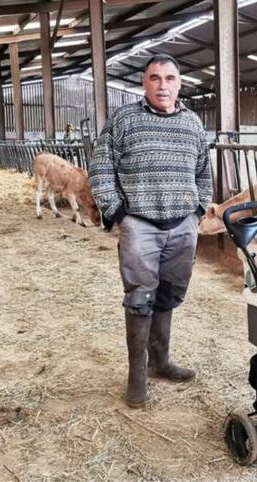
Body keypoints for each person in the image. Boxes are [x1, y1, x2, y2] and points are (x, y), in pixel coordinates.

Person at [89, 54, 212, 409]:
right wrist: (117, 211)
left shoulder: (192, 123)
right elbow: (100, 165)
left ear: (180, 83)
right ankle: (136, 374)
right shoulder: (125, 119)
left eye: (170, 78)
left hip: (182, 225)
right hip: (140, 224)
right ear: (144, 82)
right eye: (155, 78)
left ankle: (161, 362)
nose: (163, 85)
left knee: (170, 292)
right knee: (140, 296)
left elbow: (204, 172)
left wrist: (199, 209)